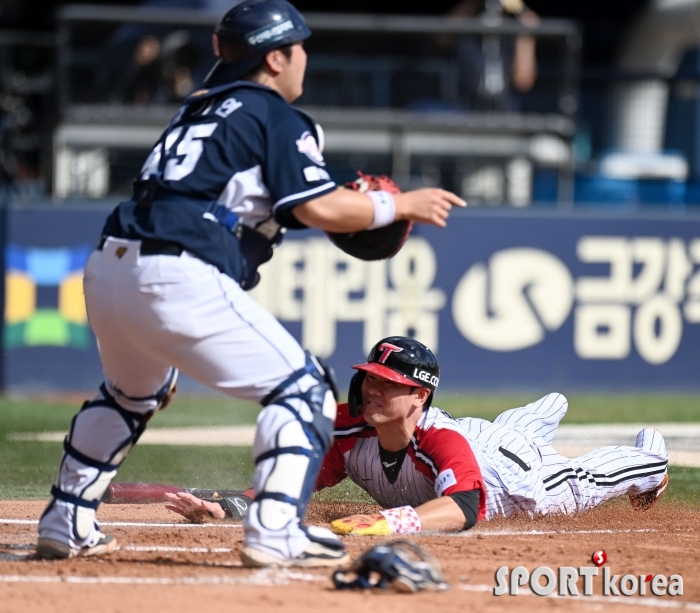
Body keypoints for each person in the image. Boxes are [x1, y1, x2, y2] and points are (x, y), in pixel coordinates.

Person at [35, 0, 465, 567]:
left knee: (129, 395)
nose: (305, 58)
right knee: (306, 388)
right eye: (301, 47)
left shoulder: (198, 109)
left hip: (110, 263)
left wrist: (343, 206)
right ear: (277, 56)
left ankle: (66, 519)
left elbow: (259, 202)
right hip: (178, 268)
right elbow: (316, 208)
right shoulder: (275, 115)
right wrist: (394, 204)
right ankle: (276, 530)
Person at [166, 336, 670, 536]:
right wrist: (227, 507)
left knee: (579, 478)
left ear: (418, 397)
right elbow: (295, 481)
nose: (373, 389)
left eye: (392, 384)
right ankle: (543, 411)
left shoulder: (438, 439)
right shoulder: (349, 426)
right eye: (371, 378)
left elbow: (466, 507)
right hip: (478, 437)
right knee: (513, 425)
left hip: (512, 478)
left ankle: (651, 461)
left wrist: (391, 521)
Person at [450, 0, 539, 112]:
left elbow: (523, 82)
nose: (493, 16)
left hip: (505, 117)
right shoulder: (469, 36)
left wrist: (526, 33)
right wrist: (475, 3)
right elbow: (443, 36)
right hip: (468, 114)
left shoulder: (512, 38)